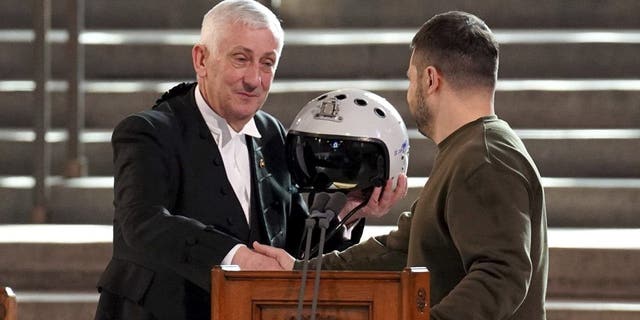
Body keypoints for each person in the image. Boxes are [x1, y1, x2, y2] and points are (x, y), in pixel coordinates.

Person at [93, 1, 407, 319]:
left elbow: (293, 252)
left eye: (267, 63)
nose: (254, 80)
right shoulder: (147, 132)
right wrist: (238, 257)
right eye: (241, 59)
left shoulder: (273, 134)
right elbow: (143, 223)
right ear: (201, 59)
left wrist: (349, 213)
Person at [255, 11, 549, 320]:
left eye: (411, 79)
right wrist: (301, 269)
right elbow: (398, 249)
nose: (410, 93)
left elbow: (502, 274)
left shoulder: (485, 158)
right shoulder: (469, 149)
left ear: (430, 79)